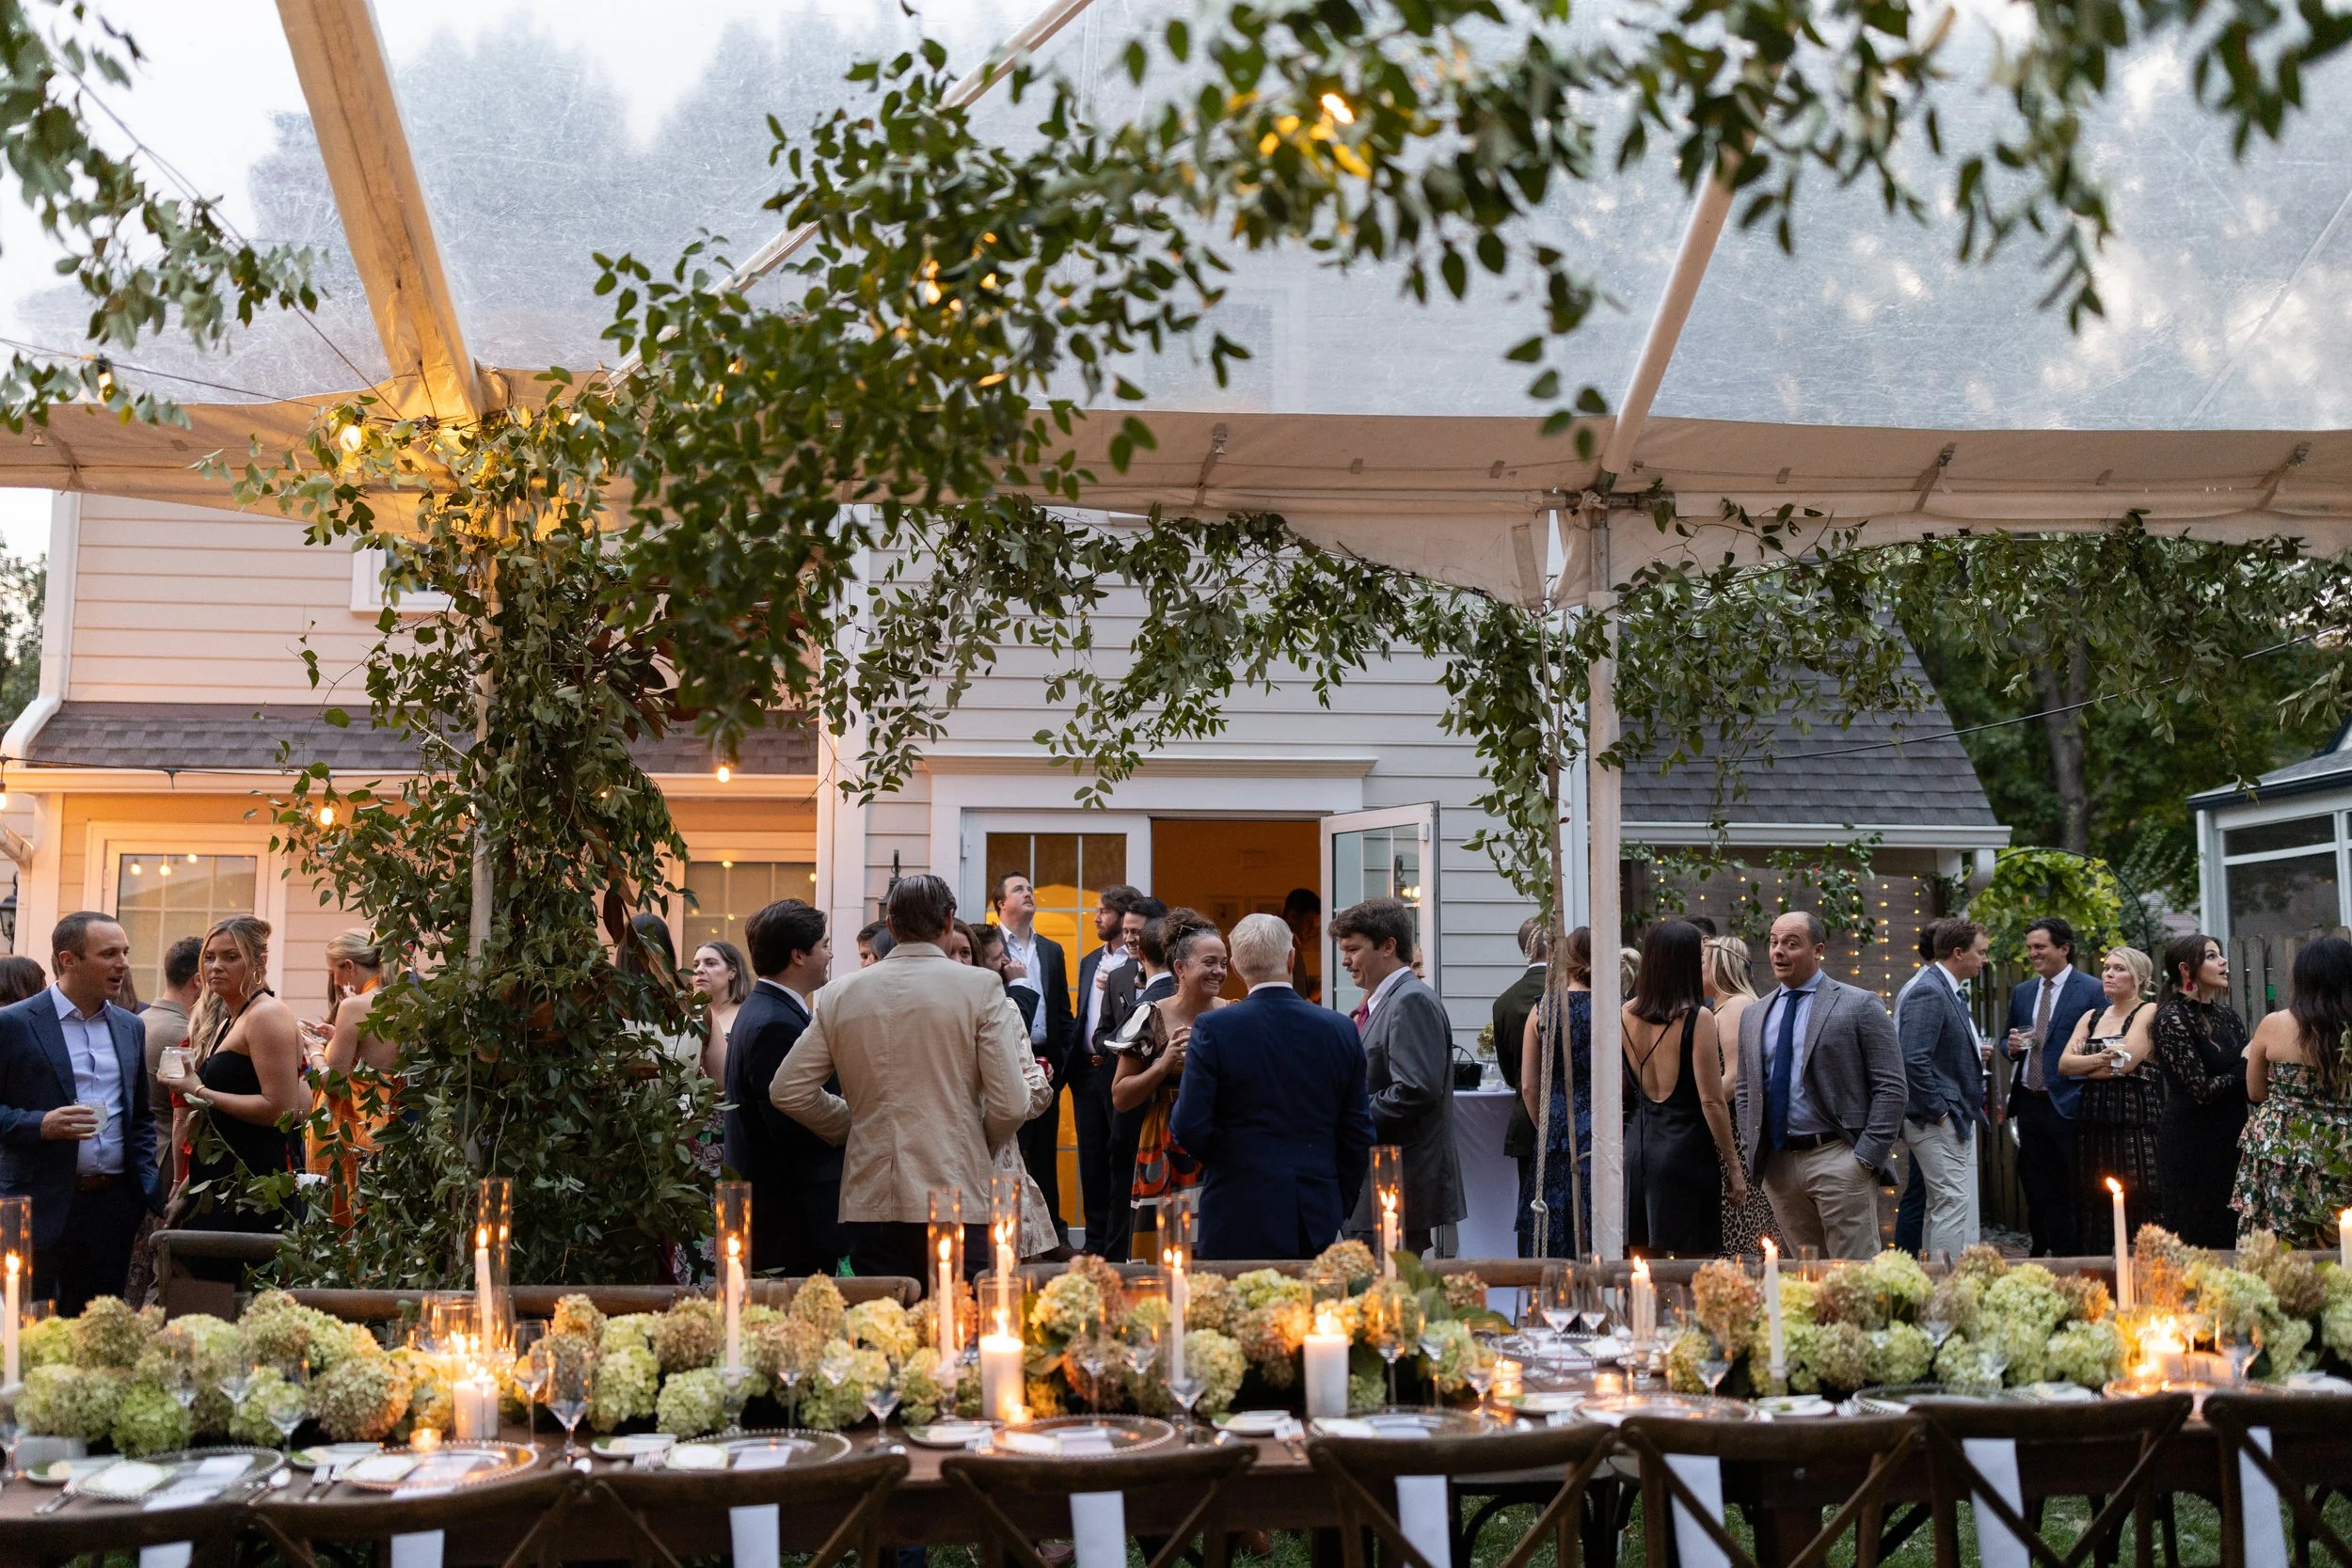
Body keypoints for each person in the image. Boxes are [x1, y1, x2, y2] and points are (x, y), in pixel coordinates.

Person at [771, 874, 1033, 1280]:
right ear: (949, 921)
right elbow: (1012, 1103)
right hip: (956, 1186)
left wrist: (852, 1121)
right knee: (962, 1326)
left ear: (890, 926)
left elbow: (788, 1089)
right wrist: (979, 1138)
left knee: (886, 1329)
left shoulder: (842, 992)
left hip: (873, 1195)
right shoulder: (979, 986)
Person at [1172, 913, 1375, 1259]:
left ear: (1235, 967)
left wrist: (1230, 1163)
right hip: (1316, 1207)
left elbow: (1189, 1126)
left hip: (1235, 1205)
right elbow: (1358, 1131)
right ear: (1291, 958)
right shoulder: (1339, 1029)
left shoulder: (1214, 1029)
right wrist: (1337, 1196)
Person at [0, 913, 161, 1311]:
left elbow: (140, 1117)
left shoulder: (130, 1027)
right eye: (108, 954)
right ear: (68, 959)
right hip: (36, 1204)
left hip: (112, 1209)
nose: (122, 963)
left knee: (98, 1328)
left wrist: (145, 1187)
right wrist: (41, 1124)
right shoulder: (15, 1023)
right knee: (27, 1328)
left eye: (124, 952)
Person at [1735, 911, 1906, 1260]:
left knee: (1854, 1277)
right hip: (1780, 1165)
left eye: (1791, 943)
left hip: (1839, 1158)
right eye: (1774, 942)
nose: (1778, 951)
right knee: (1805, 1274)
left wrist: (1865, 1158)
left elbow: (1892, 1087)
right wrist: (1753, 1144)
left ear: (1818, 950)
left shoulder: (1859, 1004)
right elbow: (1745, 1089)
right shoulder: (1755, 1014)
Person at [1332, 896, 1464, 1256]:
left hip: (1396, 1187)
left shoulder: (1410, 1001)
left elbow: (1415, 1091)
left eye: (1353, 950)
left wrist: (1346, 1115)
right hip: (1379, 1186)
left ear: (1388, 946)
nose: (1345, 961)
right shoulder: (1385, 1000)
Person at [726, 899, 847, 1276]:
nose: (829, 955)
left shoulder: (763, 1008)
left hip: (783, 1211)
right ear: (798, 955)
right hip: (791, 1216)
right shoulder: (776, 1024)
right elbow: (792, 1126)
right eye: (824, 945)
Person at [176, 916, 308, 1260]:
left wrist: (199, 1091)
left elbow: (282, 1110)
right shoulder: (227, 1020)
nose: (215, 966)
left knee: (237, 1295)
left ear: (259, 962)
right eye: (210, 957)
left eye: (231, 957)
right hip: (220, 1179)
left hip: (254, 1182)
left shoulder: (267, 1015)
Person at [1622, 920, 1744, 1257]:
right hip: (1686, 1151)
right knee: (1696, 1271)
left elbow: (1622, 1090)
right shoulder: (1696, 1017)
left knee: (1642, 1270)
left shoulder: (1623, 1014)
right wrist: (1733, 1169)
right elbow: (1712, 1101)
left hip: (1636, 1148)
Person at [1111, 910, 1225, 1250]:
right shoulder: (1151, 1015)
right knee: (1164, 1248)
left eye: (1223, 962)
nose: (1219, 971)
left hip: (1220, 1141)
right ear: (1180, 967)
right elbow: (1120, 1096)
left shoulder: (1232, 1013)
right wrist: (1162, 1065)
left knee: (1214, 1244)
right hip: (1164, 1141)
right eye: (1209, 962)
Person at [2236, 935, 2352, 1246]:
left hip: (2283, 1144)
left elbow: (2256, 1091)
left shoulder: (2274, 1024)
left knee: (2279, 1239)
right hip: (2343, 1146)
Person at [2004, 916, 2104, 1256]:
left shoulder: (2091, 989)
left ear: (2064, 948)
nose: (2033, 954)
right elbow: (2007, 1040)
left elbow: (2102, 1045)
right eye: (2030, 947)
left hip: (2068, 1102)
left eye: (2040, 947)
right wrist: (2011, 1047)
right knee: (2035, 1184)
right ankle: (2039, 1249)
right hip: (2029, 1103)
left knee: (2072, 1186)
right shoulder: (2023, 991)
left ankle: (2071, 1256)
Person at [963, 922, 1061, 1259]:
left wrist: (1035, 1083)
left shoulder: (1004, 1009)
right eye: (995, 958)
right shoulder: (996, 1008)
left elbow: (1033, 1092)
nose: (1005, 963)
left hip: (999, 1158)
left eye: (966, 953)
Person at [1898, 918, 1990, 1259]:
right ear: (1957, 952)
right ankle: (1944, 1292)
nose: (1984, 960)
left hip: (1949, 1117)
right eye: (1980, 953)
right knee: (1951, 1203)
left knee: (1942, 1204)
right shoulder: (1929, 990)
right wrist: (1940, 1113)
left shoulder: (1945, 988)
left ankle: (1932, 1289)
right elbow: (1913, 1060)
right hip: (1934, 1120)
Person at [991, 873, 1075, 1243]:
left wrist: (1066, 1063)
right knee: (1013, 1151)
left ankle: (1051, 1236)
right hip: (1006, 1056)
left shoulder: (1051, 949)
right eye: (1019, 890)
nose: (1029, 894)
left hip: (1047, 1062)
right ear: (1000, 904)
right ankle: (1012, 1238)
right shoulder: (990, 946)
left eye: (1030, 889)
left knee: (1045, 1153)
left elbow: (1062, 1011)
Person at [2151, 932, 2249, 1247]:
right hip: (2191, 1141)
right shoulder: (2171, 1018)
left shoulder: (2228, 1017)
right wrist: (2244, 1067)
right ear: (2185, 968)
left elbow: (2248, 1081)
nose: (2222, 962)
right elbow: (2201, 1090)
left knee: (2228, 1230)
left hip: (2231, 1135)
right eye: (2211, 956)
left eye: (2220, 955)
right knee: (2195, 1232)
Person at [2060, 945, 2162, 1241]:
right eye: (2107, 968)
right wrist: (2105, 1058)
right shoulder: (2091, 1017)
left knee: (2139, 1197)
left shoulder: (2149, 1011)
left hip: (2134, 1124)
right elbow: (2064, 1065)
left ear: (2139, 977)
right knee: (2094, 1200)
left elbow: (2127, 1063)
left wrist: (2087, 1062)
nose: (2109, 974)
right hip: (2093, 1123)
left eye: (2119, 969)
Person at [1095, 901, 1174, 1260]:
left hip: (1153, 1119)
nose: (1129, 938)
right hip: (1120, 1106)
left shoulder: (1175, 993)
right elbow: (1103, 1030)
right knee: (1118, 1199)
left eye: (1136, 932)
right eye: (1124, 930)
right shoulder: (1118, 977)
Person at [1071, 882, 1144, 1252]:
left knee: (1120, 1158)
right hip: (1086, 1073)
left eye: (1103, 910)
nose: (1097, 917)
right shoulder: (1089, 961)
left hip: (1119, 1072)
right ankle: (1094, 1241)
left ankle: (1119, 1242)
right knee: (1091, 1160)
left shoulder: (1138, 964)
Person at [1518, 927, 1592, 1257]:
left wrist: (1545, 1123)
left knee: (1551, 1218)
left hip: (1555, 1122)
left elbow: (1529, 1085)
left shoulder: (1542, 1009)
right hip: (1601, 1122)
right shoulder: (1617, 1009)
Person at [1706, 935, 1778, 1257]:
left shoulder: (1736, 1006)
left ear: (1720, 967)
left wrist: (1698, 1107)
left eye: (1703, 963)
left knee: (1740, 1229)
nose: (1698, 969)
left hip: (1733, 1133)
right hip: (1722, 1129)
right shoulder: (1719, 1006)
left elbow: (1735, 1077)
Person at [316, 929, 394, 1227]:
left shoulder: (354, 1006)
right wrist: (337, 1038)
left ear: (349, 966)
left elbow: (333, 1083)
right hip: (393, 1119)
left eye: (333, 971)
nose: (335, 982)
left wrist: (314, 1051)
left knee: (349, 1221)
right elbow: (377, 1053)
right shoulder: (404, 1000)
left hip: (358, 1123)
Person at [1491, 918, 1549, 1253]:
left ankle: (1529, 1285)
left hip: (1527, 1121)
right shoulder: (1571, 995)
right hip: (1573, 1116)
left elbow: (1512, 1074)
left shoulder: (1505, 1002)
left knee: (1531, 1206)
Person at [691, 940, 750, 1086]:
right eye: (696, 965)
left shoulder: (748, 1015)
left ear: (732, 972)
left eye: (710, 963)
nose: (699, 970)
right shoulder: (688, 1015)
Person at [1282, 887, 1324, 1003]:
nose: (1312, 931)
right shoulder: (1285, 943)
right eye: (1309, 923)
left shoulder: (1290, 941)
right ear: (1293, 916)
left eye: (1316, 926)